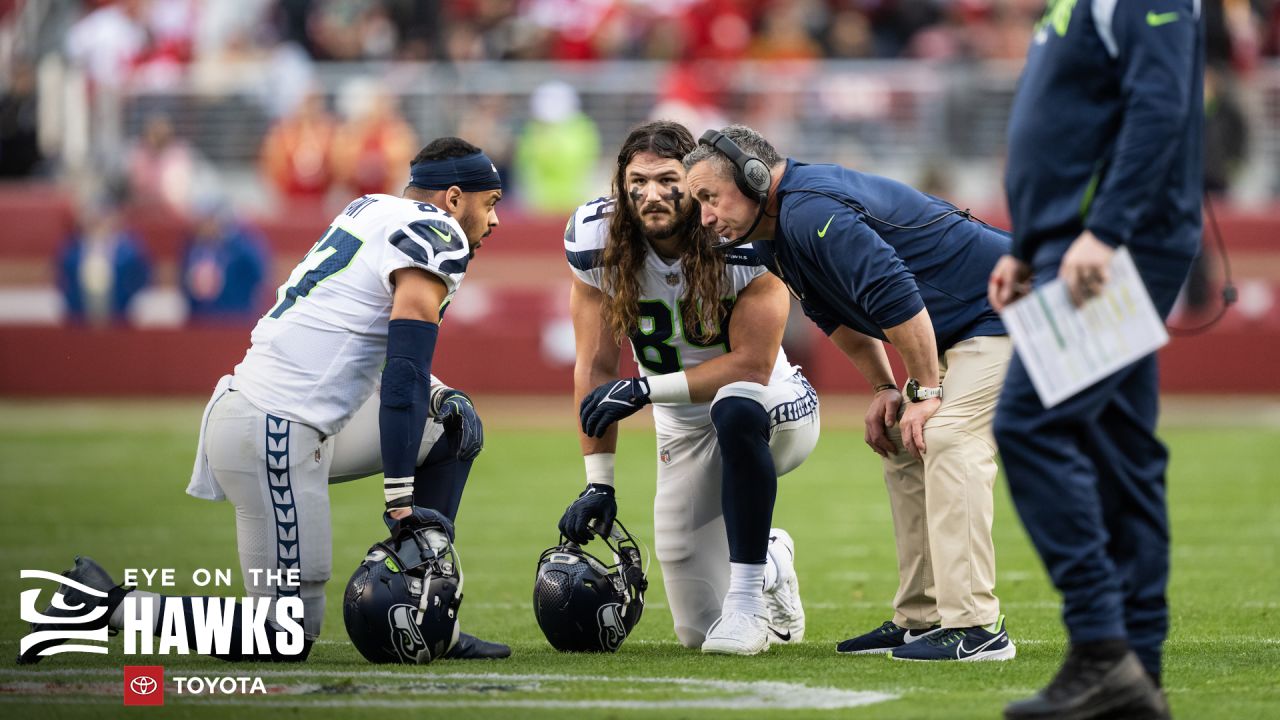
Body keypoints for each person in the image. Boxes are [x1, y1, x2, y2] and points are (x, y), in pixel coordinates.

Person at [20, 138, 509, 664]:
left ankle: (434, 619)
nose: (495, 221)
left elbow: (359, 346)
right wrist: (401, 501)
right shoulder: (436, 232)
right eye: (491, 203)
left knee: (453, 421)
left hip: (283, 419)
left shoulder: (370, 207)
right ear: (454, 199)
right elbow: (405, 374)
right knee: (282, 635)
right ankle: (103, 605)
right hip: (273, 427)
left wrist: (428, 410)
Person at [684, 124, 1015, 662]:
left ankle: (979, 628)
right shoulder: (775, 236)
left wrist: (925, 390)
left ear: (752, 176)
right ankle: (923, 619)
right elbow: (835, 317)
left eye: (708, 198)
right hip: (973, 325)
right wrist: (888, 388)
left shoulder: (811, 213)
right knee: (903, 439)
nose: (704, 217)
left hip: (1017, 309)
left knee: (949, 436)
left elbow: (897, 295)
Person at [990, 2, 1204, 717]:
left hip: (1112, 249)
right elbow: (1069, 125)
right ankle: (1136, 672)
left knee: (1028, 422)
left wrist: (1104, 231)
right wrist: (1026, 244)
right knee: (1122, 453)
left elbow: (1161, 103)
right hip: (1075, 247)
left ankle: (1102, 648)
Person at [560, 120, 820, 655]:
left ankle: (752, 587)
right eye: (637, 180)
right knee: (697, 629)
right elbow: (596, 368)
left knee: (735, 406)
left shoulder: (737, 231)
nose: (651, 194)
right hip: (682, 424)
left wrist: (648, 391)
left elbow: (750, 365)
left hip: (772, 405)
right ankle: (769, 555)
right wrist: (598, 481)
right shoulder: (595, 240)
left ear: (696, 180)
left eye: (667, 179)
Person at [179, 194, 268, 322]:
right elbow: (184, 279)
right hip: (200, 319)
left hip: (235, 317)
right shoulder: (192, 245)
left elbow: (258, 274)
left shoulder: (242, 245)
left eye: (209, 219)